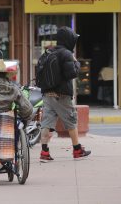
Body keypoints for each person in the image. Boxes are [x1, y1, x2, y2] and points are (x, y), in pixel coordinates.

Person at [40, 26, 91, 160]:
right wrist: (77, 63)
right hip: (61, 95)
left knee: (47, 122)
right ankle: (77, 149)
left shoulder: (48, 52)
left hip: (47, 94)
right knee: (71, 121)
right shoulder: (66, 54)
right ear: (68, 39)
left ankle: (44, 152)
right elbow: (72, 73)